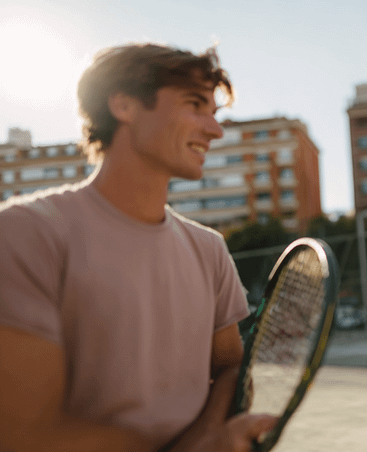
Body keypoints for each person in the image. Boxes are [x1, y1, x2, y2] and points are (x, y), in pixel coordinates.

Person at [0, 43, 277, 451]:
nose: (215, 130)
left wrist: (206, 435)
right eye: (195, 105)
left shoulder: (210, 249)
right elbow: (24, 434)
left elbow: (231, 368)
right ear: (124, 105)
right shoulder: (24, 232)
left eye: (214, 113)